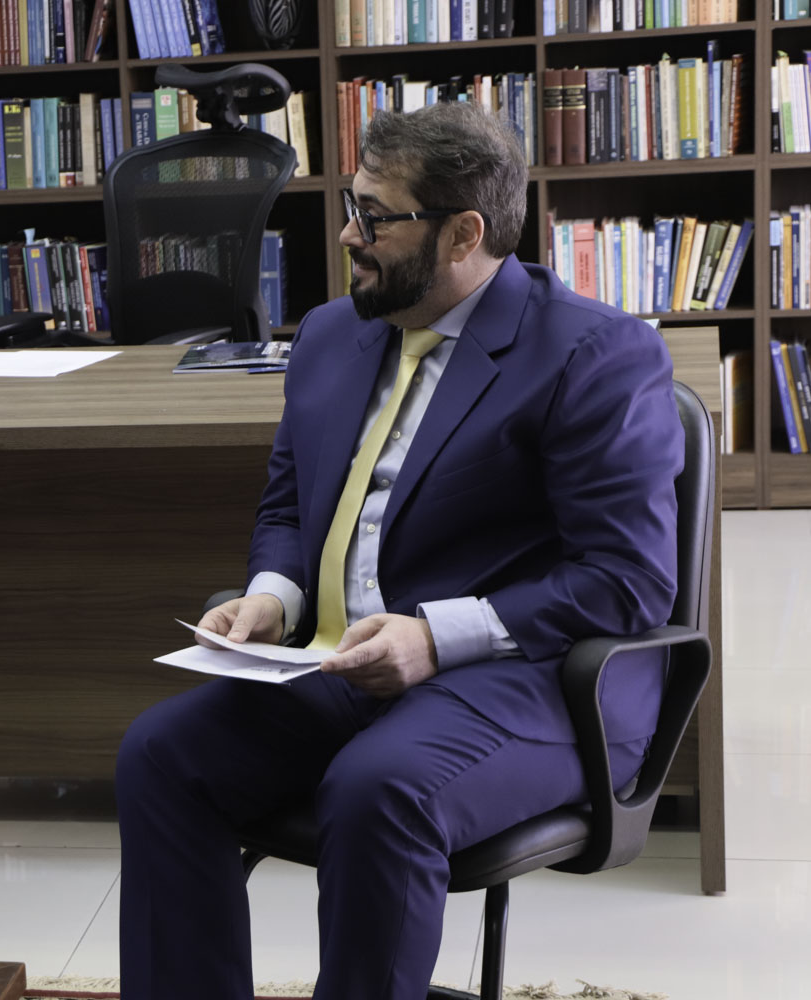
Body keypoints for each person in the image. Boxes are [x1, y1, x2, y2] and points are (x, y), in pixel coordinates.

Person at [114, 102, 683, 999]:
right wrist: (276, 595)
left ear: (463, 233)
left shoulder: (596, 355)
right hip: (341, 666)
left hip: (529, 681)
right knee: (160, 756)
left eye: (376, 216)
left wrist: (432, 636)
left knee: (381, 789)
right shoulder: (333, 335)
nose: (347, 232)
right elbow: (290, 504)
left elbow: (628, 580)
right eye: (351, 203)